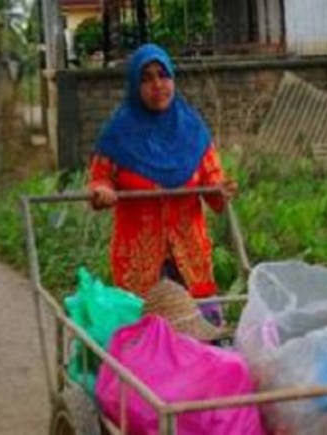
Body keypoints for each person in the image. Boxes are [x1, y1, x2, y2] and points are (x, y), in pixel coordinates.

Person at [88, 43, 236, 325]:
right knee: (146, 347)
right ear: (134, 85)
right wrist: (102, 192)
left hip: (190, 258)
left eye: (163, 75)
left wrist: (220, 190)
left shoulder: (193, 131)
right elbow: (99, 180)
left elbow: (212, 182)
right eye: (146, 78)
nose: (157, 85)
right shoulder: (117, 135)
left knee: (200, 339)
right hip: (139, 262)